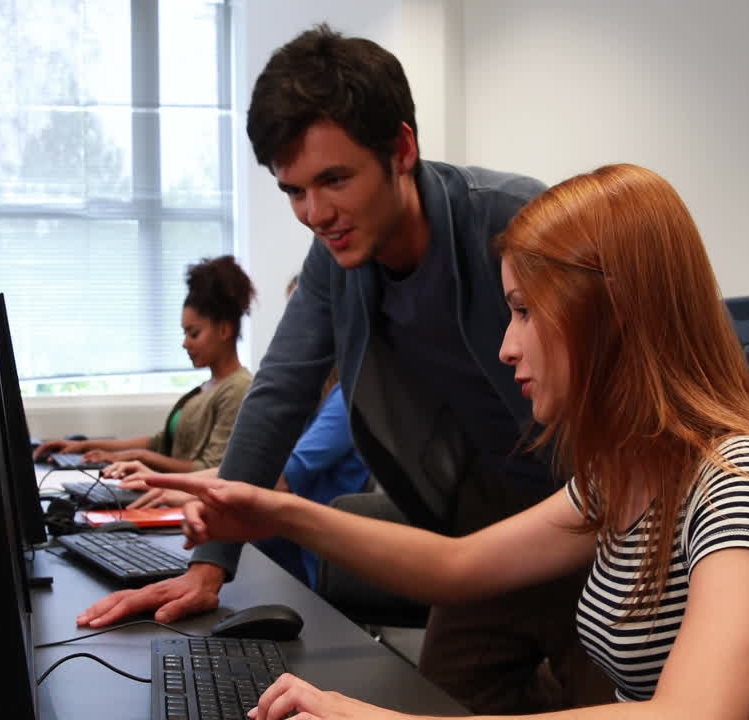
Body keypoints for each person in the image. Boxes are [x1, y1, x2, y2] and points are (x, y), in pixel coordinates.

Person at [143, 164, 749, 720]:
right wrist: (276, 511)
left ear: (614, 315)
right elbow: (458, 567)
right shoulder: (624, 477)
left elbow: (695, 714)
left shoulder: (741, 479)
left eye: (524, 312)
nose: (506, 347)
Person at [75, 24, 610, 713]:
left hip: (594, 513)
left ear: (403, 150)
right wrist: (210, 566)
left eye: (334, 180)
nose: (315, 214)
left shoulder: (513, 221)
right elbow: (278, 396)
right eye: (294, 191)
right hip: (483, 519)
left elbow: (642, 363)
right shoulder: (335, 264)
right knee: (438, 699)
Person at [125, 275, 370, 588]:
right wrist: (177, 486)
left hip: (308, 560)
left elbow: (281, 477)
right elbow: (256, 468)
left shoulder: (348, 393)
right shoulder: (316, 396)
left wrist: (189, 489)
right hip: (275, 544)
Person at [33, 255, 255, 474]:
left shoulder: (237, 389)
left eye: (194, 333)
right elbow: (158, 444)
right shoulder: (209, 386)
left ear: (225, 330)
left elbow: (210, 469)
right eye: (184, 333)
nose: (185, 343)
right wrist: (87, 446)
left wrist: (136, 457)